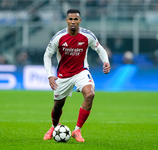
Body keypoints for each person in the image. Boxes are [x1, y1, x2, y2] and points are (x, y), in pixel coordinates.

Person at [43, 9, 111, 142]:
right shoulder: (59, 37)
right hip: (63, 75)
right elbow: (47, 55)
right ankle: (53, 127)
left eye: (75, 19)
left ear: (80, 20)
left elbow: (99, 49)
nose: (73, 22)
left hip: (81, 71)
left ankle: (77, 130)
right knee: (58, 106)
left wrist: (106, 62)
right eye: (70, 19)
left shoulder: (87, 35)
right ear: (67, 21)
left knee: (90, 94)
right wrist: (50, 75)